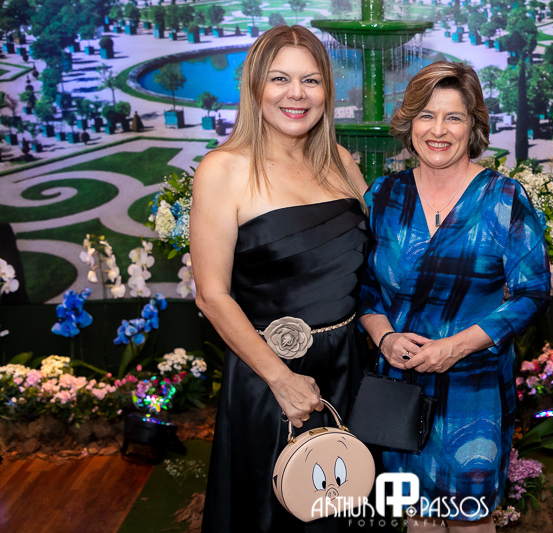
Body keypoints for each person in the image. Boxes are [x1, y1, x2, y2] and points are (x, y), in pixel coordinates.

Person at [359, 62, 551, 532]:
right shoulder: (384, 196)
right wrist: (384, 338)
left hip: (474, 391)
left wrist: (456, 346)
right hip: (400, 391)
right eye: (426, 116)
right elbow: (364, 288)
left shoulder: (504, 198)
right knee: (417, 521)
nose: (438, 130)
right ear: (409, 124)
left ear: (473, 126)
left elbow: (532, 293)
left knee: (471, 522)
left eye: (453, 117)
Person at [191, 25, 369, 532]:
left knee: (347, 510)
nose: (297, 93)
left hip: (349, 368)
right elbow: (211, 295)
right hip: (273, 377)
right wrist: (282, 380)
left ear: (327, 91)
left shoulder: (340, 162)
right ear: (255, 87)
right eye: (280, 79)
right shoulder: (223, 169)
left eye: (311, 80)